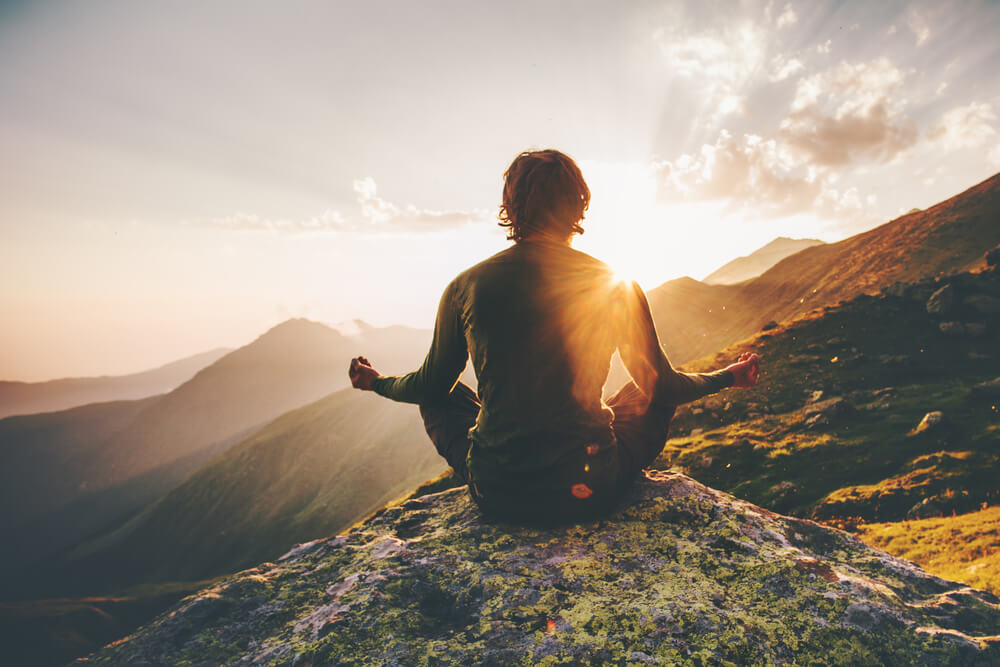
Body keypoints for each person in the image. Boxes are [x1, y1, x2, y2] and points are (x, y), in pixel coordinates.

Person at [349, 149, 760, 523]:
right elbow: (665, 387)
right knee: (646, 392)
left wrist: (376, 382)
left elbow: (427, 386)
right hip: (589, 490)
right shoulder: (615, 284)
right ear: (580, 204)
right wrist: (729, 376)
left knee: (443, 393)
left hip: (498, 493)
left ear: (510, 207)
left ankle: (504, 459)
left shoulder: (466, 286)